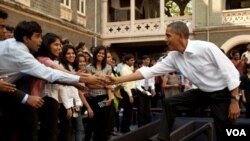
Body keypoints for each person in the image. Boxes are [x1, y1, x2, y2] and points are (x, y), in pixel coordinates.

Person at [108, 21, 241, 141]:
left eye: (168, 35)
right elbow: (148, 72)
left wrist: (234, 100)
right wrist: (117, 79)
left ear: (180, 36)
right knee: (169, 103)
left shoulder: (207, 48)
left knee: (225, 132)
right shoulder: (173, 57)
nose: (165, 39)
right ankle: (162, 139)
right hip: (202, 92)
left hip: (223, 94)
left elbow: (231, 73)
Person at [0, 21, 104, 141]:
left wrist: (78, 81)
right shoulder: (25, 56)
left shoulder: (12, 44)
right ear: (26, 38)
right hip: (36, 100)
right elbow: (52, 74)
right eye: (38, 36)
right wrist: (82, 79)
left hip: (28, 99)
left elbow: (59, 75)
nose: (40, 40)